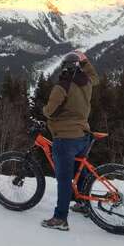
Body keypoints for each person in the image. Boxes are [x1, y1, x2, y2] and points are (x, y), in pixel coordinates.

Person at [41, 50, 99, 231]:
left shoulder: (62, 86)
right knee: (79, 171)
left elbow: (49, 111)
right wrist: (85, 61)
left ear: (64, 68)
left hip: (66, 138)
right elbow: (94, 76)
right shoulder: (87, 82)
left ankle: (60, 218)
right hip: (83, 135)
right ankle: (83, 204)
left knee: (64, 179)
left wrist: (43, 110)